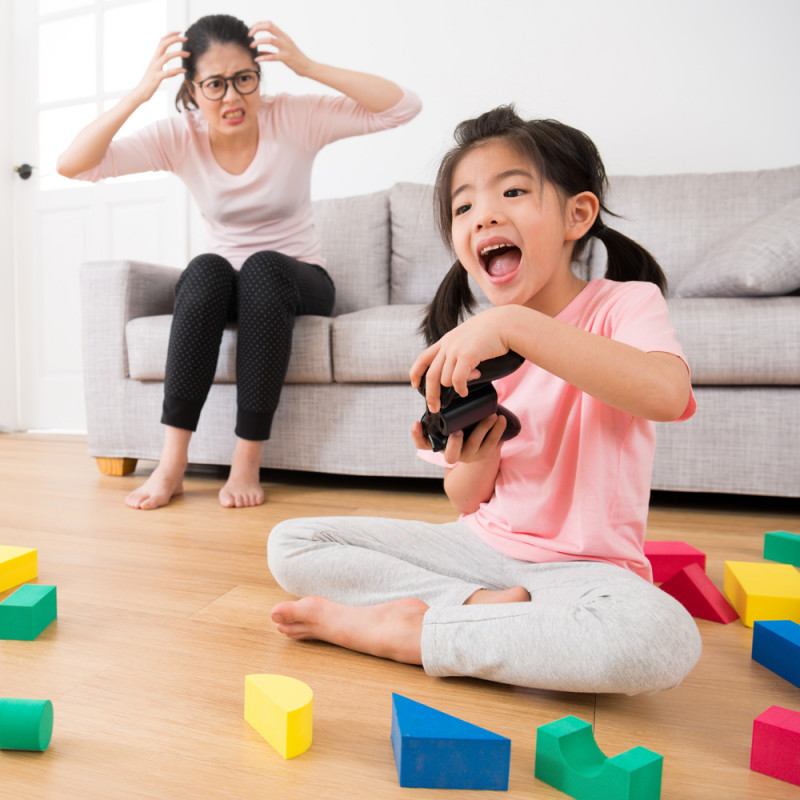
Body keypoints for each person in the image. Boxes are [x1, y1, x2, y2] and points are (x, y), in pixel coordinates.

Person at [266, 106, 703, 695]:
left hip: (584, 570)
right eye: (463, 206)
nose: (484, 215)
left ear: (578, 214)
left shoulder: (623, 305)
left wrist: (518, 326)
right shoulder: (475, 344)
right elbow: (465, 500)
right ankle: (466, 608)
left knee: (657, 639)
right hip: (478, 553)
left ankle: (411, 634)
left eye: (513, 191)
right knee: (292, 543)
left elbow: (667, 395)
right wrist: (476, 455)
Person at [57, 15, 421, 510]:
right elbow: (74, 164)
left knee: (263, 267)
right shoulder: (178, 135)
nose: (232, 98)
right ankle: (171, 465)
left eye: (244, 79)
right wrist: (139, 93)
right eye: (214, 84)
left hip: (296, 281)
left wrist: (308, 66)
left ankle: (246, 459)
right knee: (205, 268)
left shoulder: (292, 117)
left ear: (259, 75)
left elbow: (403, 107)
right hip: (227, 285)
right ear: (192, 89)